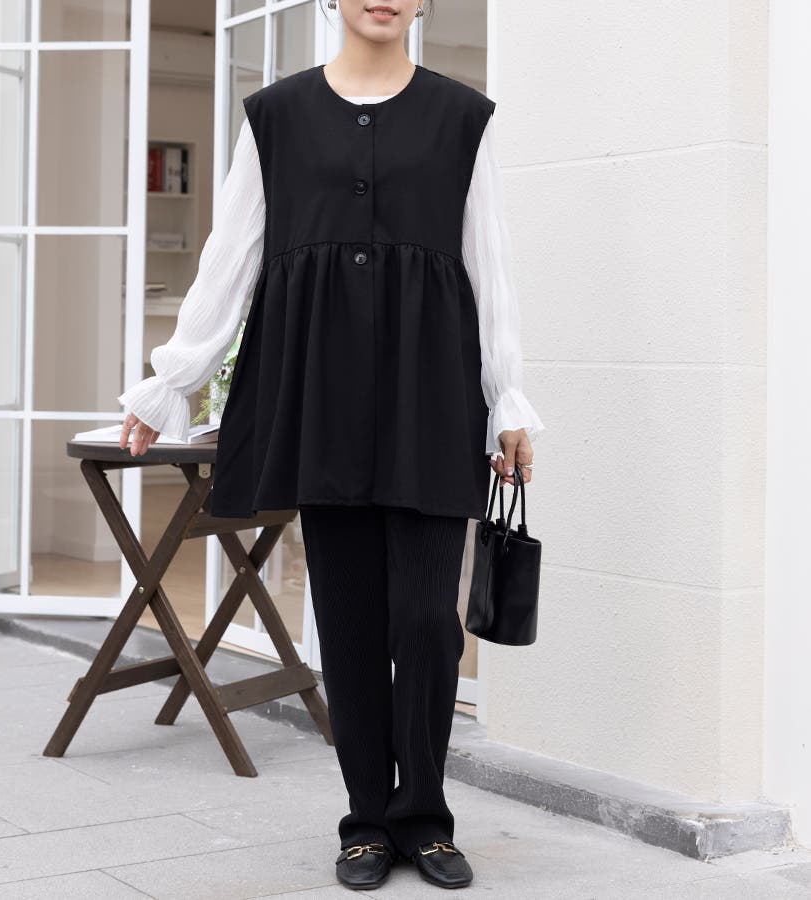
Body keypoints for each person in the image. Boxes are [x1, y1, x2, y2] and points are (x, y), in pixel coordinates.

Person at [118, 0, 545, 890]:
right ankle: (365, 823)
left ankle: (423, 817)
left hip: (432, 393)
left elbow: (490, 265)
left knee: (426, 622)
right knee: (348, 623)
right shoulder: (275, 117)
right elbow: (232, 257)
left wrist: (507, 397)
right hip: (324, 396)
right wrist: (171, 381)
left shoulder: (463, 118)